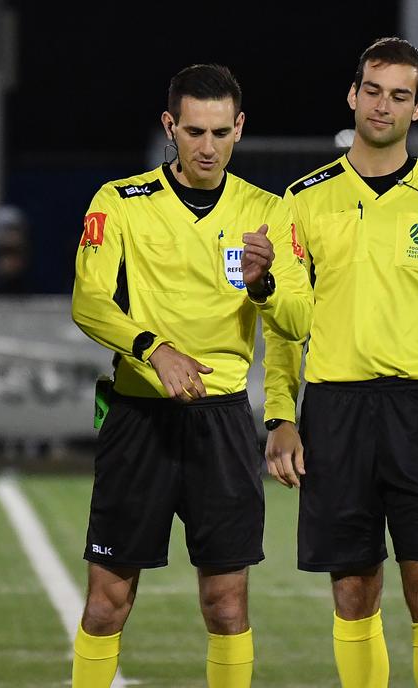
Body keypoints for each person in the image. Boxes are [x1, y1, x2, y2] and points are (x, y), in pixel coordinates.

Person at [262, 37, 418, 688]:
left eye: (400, 94)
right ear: (353, 94)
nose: (383, 105)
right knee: (353, 594)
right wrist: (281, 415)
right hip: (334, 411)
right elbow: (284, 323)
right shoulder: (303, 200)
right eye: (373, 90)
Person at [69, 64, 312, 688]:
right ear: (169, 126)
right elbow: (90, 302)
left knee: (227, 607)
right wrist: (153, 349)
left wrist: (263, 284)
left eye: (221, 132)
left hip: (223, 424)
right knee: (106, 604)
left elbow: (297, 319)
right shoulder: (119, 201)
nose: (208, 146)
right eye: (195, 131)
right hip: (138, 421)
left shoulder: (267, 210)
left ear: (239, 130)